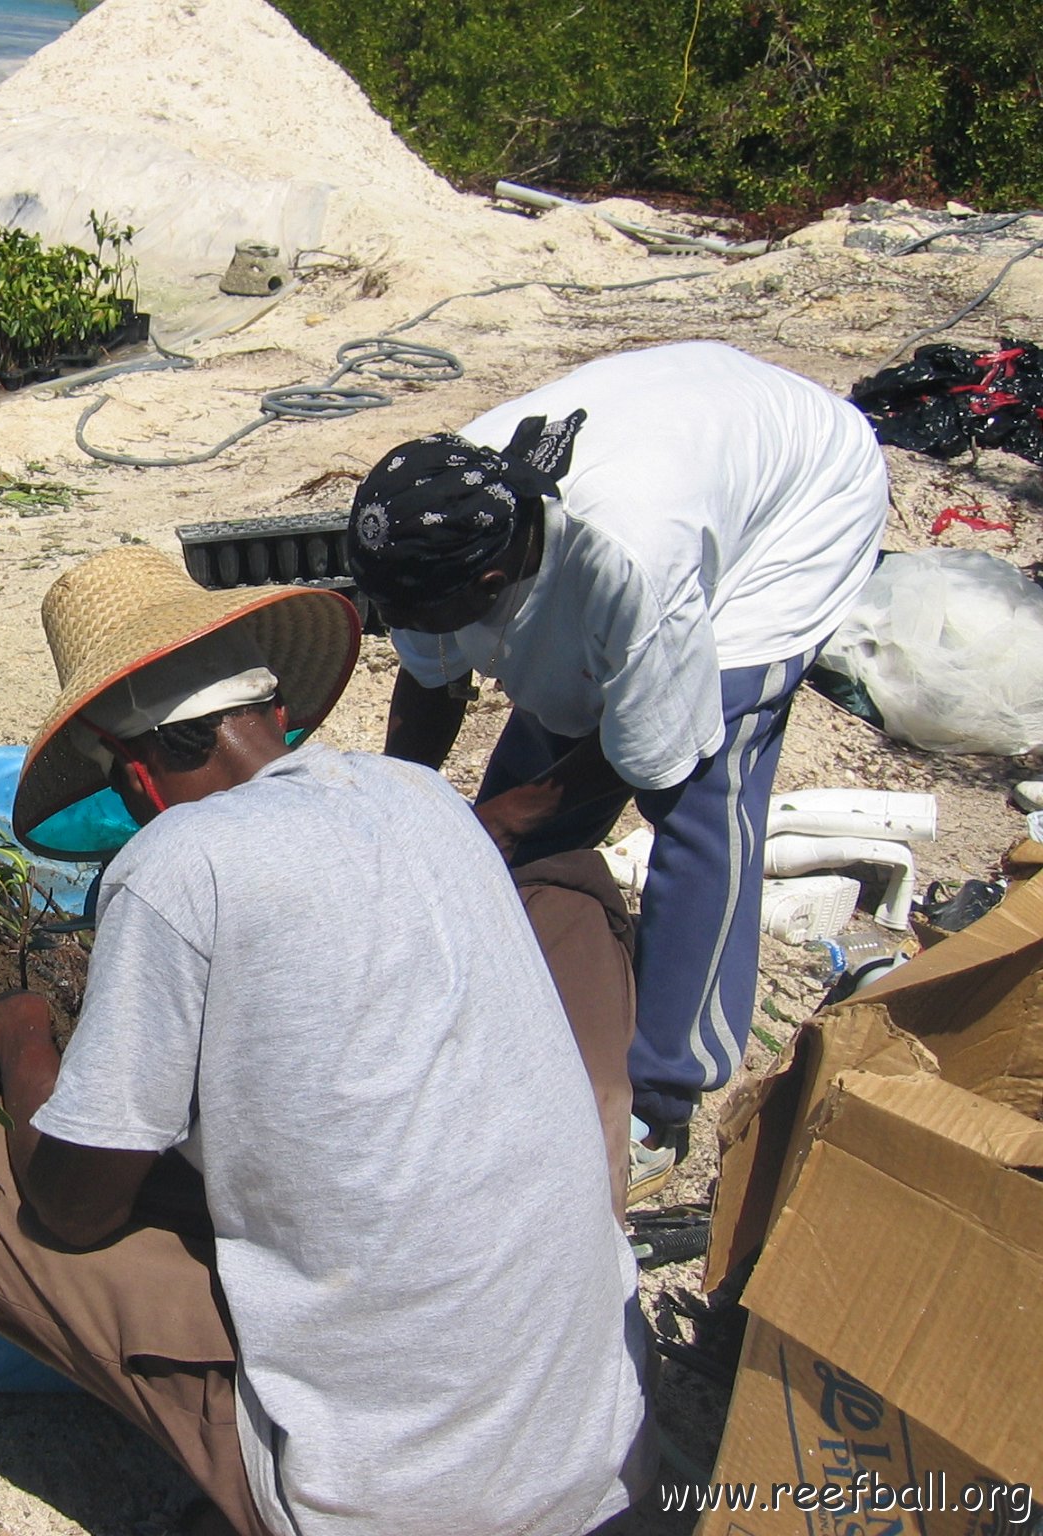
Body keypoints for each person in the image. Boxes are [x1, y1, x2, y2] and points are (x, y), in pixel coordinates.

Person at [0, 547, 650, 1536]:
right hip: (605, 1450)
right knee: (564, 890)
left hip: (395, 1504)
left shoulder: (173, 863)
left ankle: (245, 1457)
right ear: (274, 714)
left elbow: (69, 1210)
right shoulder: (423, 801)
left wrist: (24, 1045)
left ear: (134, 771)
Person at [345, 340, 889, 1164]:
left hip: (799, 503)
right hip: (694, 427)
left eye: (422, 614)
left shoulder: (628, 558)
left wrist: (510, 816)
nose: (408, 625)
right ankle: (502, 984)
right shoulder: (436, 514)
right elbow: (430, 685)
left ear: (490, 586)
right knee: (546, 747)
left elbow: (658, 748)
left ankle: (666, 1090)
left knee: (705, 783)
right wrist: (405, 816)